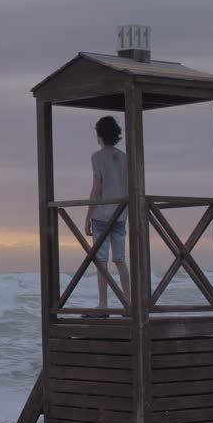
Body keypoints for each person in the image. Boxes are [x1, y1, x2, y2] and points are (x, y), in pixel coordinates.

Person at [84, 116, 130, 312]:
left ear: (99, 135)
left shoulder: (97, 157)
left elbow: (97, 188)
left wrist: (87, 217)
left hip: (102, 214)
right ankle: (128, 303)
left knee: (101, 261)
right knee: (120, 259)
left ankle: (103, 303)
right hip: (120, 213)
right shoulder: (124, 157)